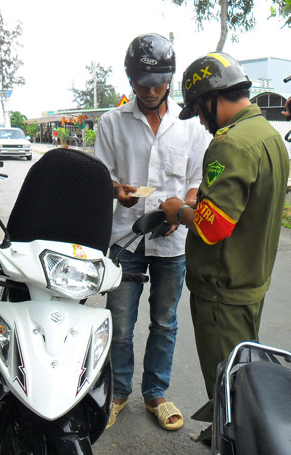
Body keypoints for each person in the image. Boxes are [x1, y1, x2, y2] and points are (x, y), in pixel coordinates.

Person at [94, 33, 209, 431]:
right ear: (130, 81)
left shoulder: (190, 126)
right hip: (125, 237)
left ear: (170, 80)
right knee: (120, 323)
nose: (150, 91)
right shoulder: (111, 122)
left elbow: (195, 179)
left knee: (165, 322)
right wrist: (117, 191)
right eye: (142, 83)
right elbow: (102, 175)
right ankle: (119, 392)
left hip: (173, 241)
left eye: (158, 83)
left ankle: (155, 393)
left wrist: (186, 209)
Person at [161, 52, 289, 399]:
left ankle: (232, 449)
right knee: (242, 373)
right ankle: (230, 437)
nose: (200, 122)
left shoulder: (231, 143)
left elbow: (213, 228)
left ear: (209, 100)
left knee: (227, 388)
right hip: (251, 283)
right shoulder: (267, 134)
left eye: (198, 112)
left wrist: (179, 211)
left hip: (222, 292)